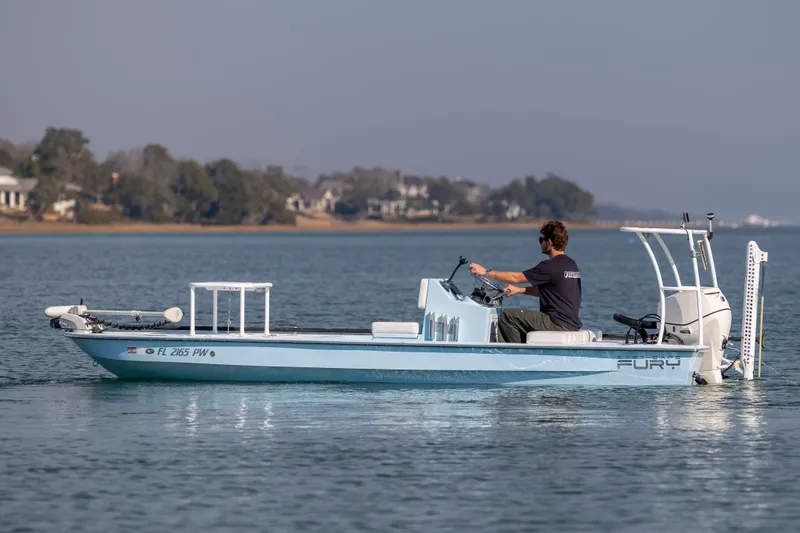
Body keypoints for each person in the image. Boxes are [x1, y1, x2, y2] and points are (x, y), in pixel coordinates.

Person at [468, 220, 582, 343]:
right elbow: (550, 291)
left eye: (541, 240)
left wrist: (486, 272)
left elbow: (515, 278)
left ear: (549, 242)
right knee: (521, 320)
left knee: (507, 317)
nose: (540, 243)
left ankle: (515, 356)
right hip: (570, 322)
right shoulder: (571, 264)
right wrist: (520, 290)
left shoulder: (549, 266)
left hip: (556, 322)